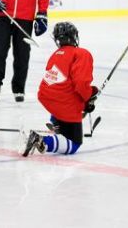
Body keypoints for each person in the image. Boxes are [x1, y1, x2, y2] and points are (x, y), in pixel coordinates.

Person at [20, 22, 97, 157]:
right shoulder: (81, 53)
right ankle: (41, 140)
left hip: (46, 98)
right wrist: (88, 97)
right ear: (74, 36)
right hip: (64, 103)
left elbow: (56, 83)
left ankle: (57, 123)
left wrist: (84, 101)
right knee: (74, 144)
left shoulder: (55, 54)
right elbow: (81, 84)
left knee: (62, 94)